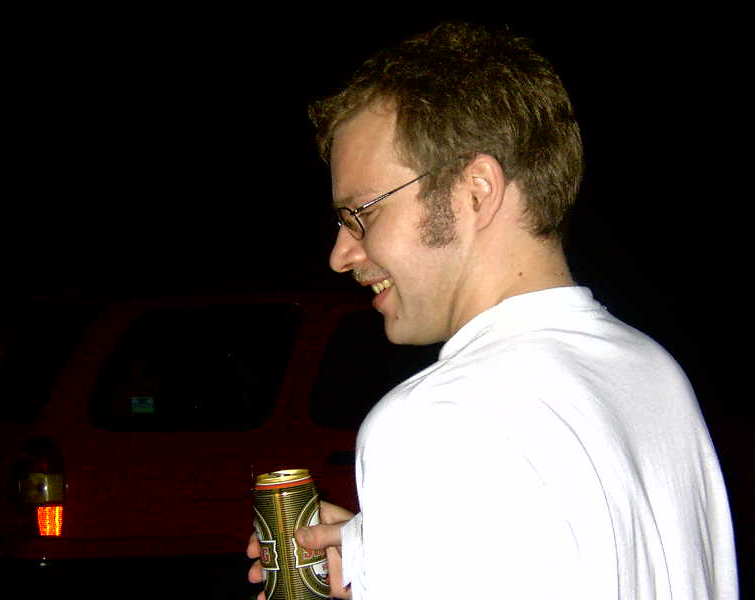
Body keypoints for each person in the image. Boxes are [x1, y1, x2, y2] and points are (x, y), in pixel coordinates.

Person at [247, 21, 738, 599]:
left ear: (475, 191)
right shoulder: (649, 370)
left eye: (363, 213)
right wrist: (390, 556)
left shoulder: (434, 420)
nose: (341, 254)